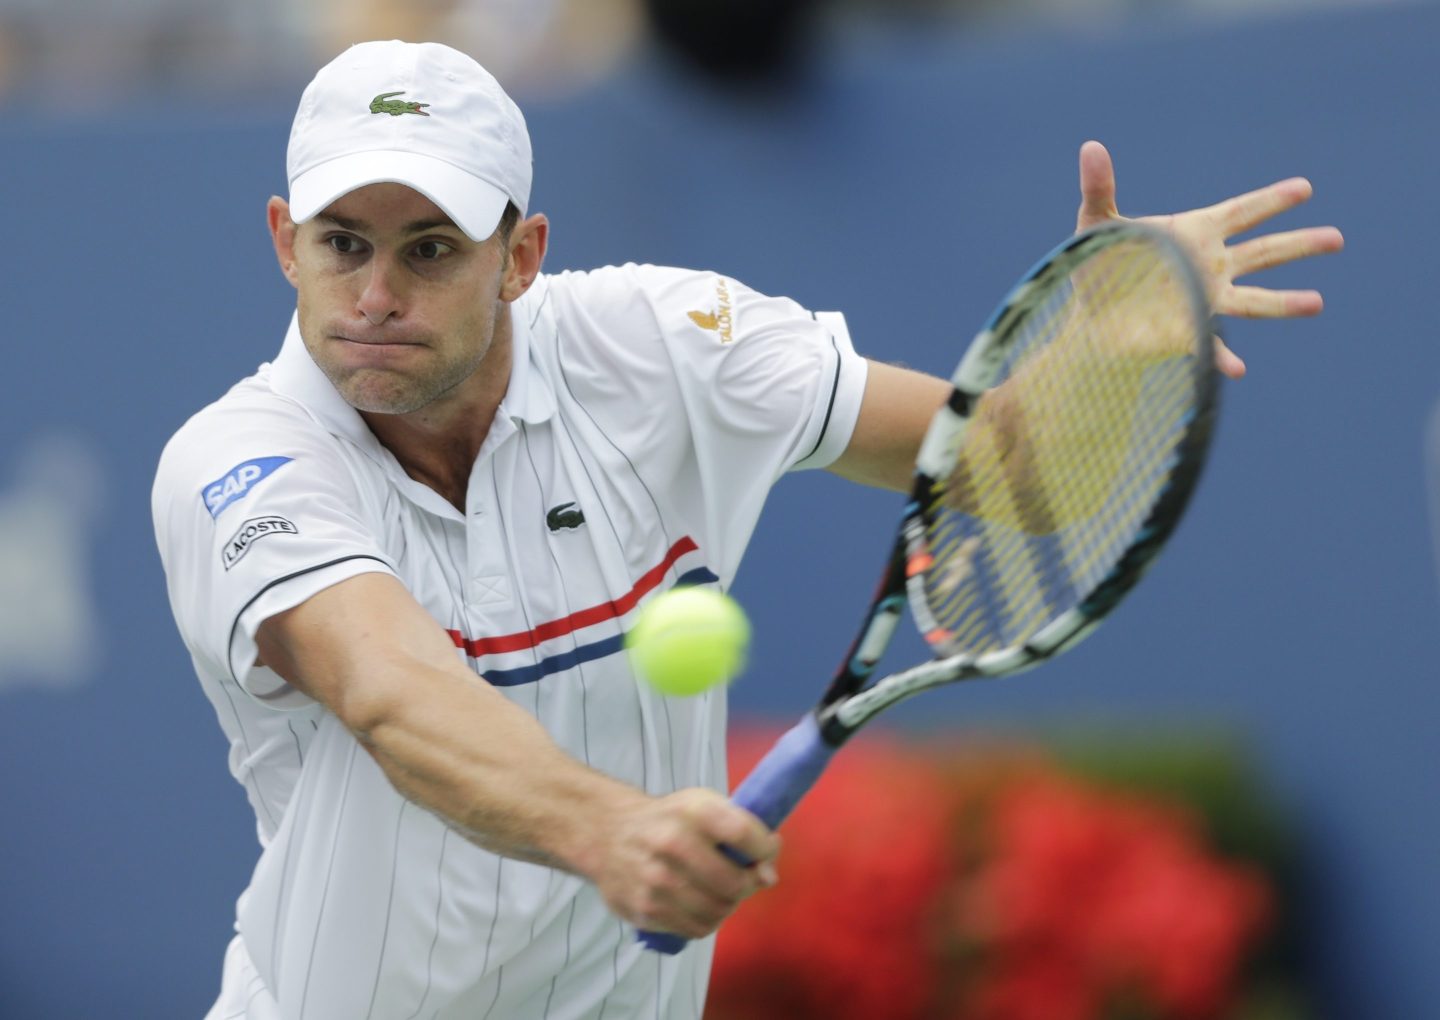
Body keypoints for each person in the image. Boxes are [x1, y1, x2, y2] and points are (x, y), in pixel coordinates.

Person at [151, 39, 1342, 1020]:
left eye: (429, 251)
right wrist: (613, 832)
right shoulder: (238, 463)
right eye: (342, 244)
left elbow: (1019, 478)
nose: (374, 296)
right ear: (282, 241)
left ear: (520, 258)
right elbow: (388, 691)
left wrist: (1090, 349)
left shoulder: (661, 348)